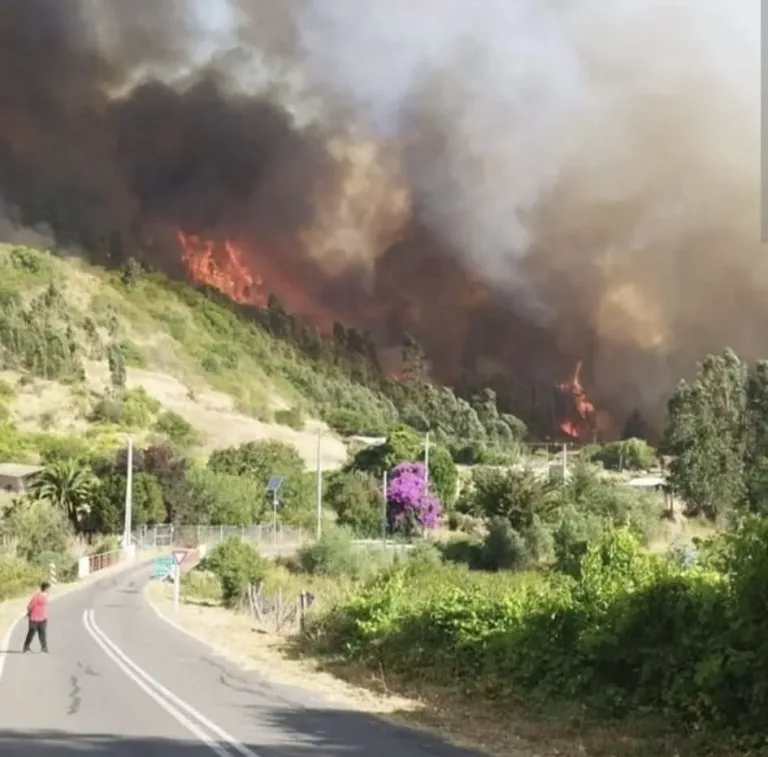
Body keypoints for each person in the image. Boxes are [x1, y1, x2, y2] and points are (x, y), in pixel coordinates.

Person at [23, 581, 50, 653]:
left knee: (42, 633)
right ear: (45, 588)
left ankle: (44, 648)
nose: (49, 590)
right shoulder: (37, 596)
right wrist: (28, 613)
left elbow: (45, 607)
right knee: (32, 632)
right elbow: (30, 606)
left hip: (43, 618)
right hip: (34, 617)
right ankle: (26, 647)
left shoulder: (46, 596)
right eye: (48, 588)